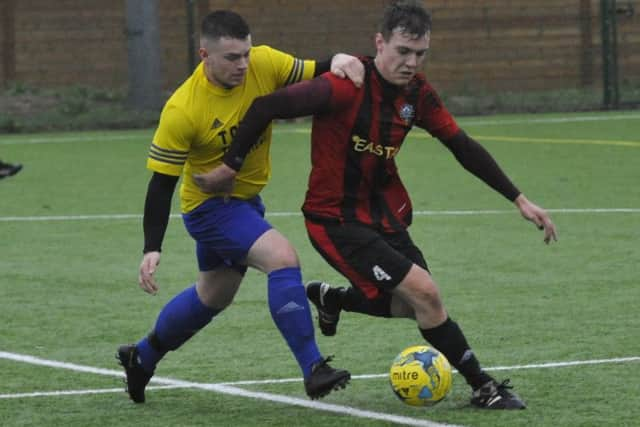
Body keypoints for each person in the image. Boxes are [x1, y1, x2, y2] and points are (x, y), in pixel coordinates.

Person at [194, 0, 558, 410]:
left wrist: (519, 199)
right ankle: (484, 386)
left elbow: (461, 145)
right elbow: (266, 106)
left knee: (414, 305)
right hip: (335, 219)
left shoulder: (417, 94)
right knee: (426, 295)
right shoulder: (345, 85)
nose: (411, 63)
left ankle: (332, 298)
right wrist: (231, 166)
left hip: (382, 215)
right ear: (380, 43)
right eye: (403, 51)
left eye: (420, 54)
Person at [116, 9, 365, 404]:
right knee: (282, 259)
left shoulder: (264, 62)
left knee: (213, 296)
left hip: (246, 203)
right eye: (232, 58)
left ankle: (141, 358)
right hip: (209, 210)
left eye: (246, 54)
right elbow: (161, 185)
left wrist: (338, 61)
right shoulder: (183, 109)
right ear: (204, 55)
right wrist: (152, 246)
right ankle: (314, 367)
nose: (243, 64)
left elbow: (315, 69)